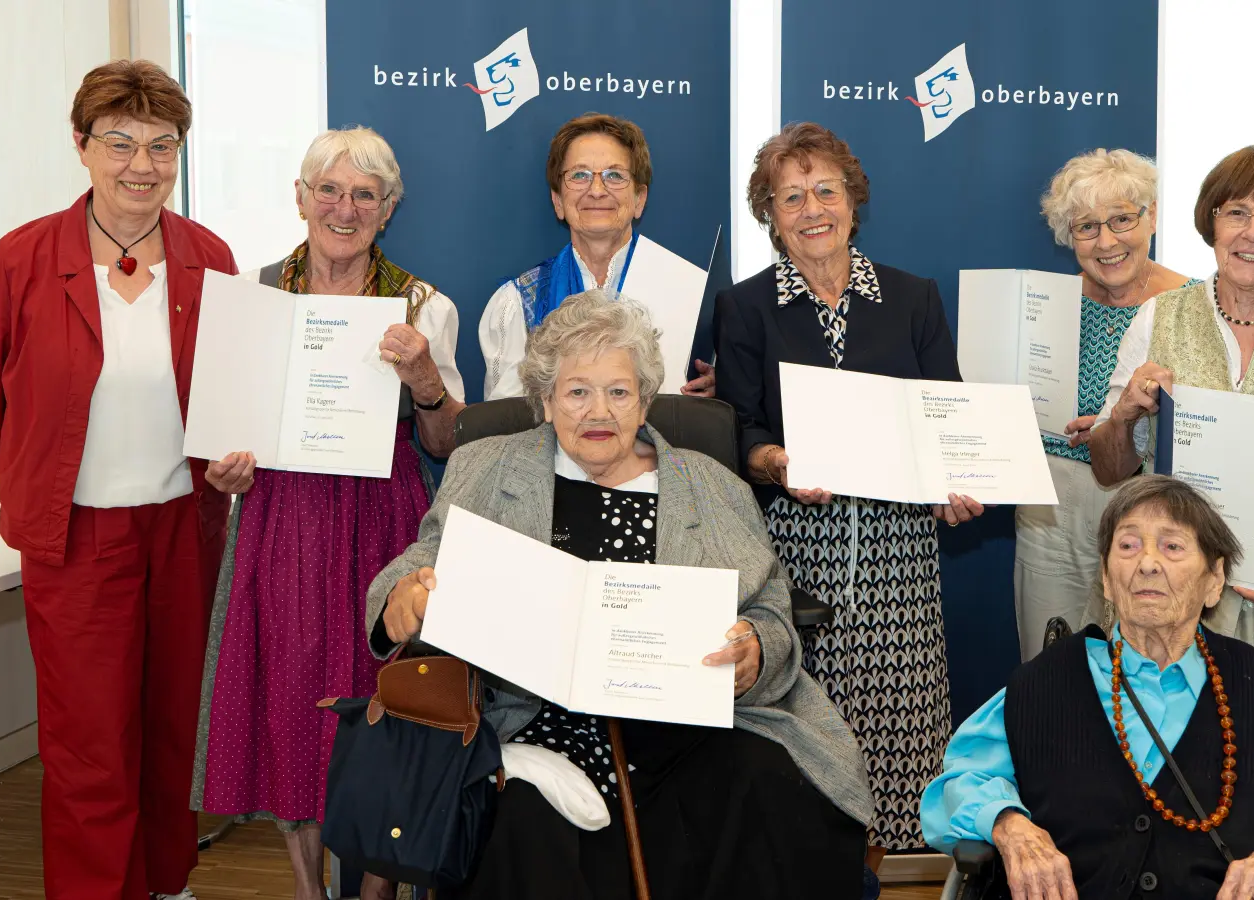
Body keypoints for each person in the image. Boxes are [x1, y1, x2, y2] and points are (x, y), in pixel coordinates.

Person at [367, 292, 872, 899]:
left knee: (764, 788)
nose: (598, 411)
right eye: (577, 391)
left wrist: (756, 649)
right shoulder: (489, 466)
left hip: (690, 726)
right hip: (534, 722)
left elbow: (769, 607)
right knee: (518, 823)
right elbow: (420, 564)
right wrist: (402, 599)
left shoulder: (711, 485)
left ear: (645, 400)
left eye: (618, 391)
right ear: (546, 400)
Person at [190, 126, 466, 900]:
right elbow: (227, 436)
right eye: (330, 191)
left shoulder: (426, 305)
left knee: (389, 698)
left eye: (365, 195)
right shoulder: (254, 294)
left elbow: (445, 443)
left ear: (389, 208)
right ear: (302, 198)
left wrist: (424, 379)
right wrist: (226, 469)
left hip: (385, 519)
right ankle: (308, 891)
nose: (345, 209)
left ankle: (376, 892)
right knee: (289, 703)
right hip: (282, 517)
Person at [713, 121, 984, 880]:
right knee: (806, 724)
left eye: (825, 191)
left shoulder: (912, 298)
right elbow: (737, 429)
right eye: (790, 197)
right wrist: (774, 462)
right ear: (771, 216)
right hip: (797, 552)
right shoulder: (745, 307)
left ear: (853, 202)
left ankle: (896, 876)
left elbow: (945, 414)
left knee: (901, 725)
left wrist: (953, 486)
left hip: (900, 555)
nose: (812, 210)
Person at [0, 60, 234, 900]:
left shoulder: (208, 255)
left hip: (183, 526)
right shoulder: (21, 259)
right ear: (82, 145)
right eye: (121, 142)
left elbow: (228, 391)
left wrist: (234, 453)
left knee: (172, 728)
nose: (142, 164)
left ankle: (167, 882)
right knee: (90, 743)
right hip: (76, 534)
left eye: (162, 146)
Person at [923, 475, 1254, 900]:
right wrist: (1008, 825)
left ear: (1215, 580)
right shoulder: (1041, 686)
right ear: (1106, 579)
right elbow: (960, 782)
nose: (1147, 563)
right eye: (1127, 546)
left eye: (1172, 546)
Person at [1087, 146, 1254, 661]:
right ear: (1212, 221)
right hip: (1169, 582)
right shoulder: (1158, 317)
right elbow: (1109, 470)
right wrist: (1124, 416)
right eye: (1237, 213)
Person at [1015, 148, 1194, 660]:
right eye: (1087, 227)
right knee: (1052, 663)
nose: (1107, 241)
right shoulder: (1042, 306)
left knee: (1149, 662)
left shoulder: (1192, 306)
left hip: (1155, 505)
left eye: (1121, 219)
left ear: (1151, 217)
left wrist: (1122, 423)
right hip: (1054, 508)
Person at [478, 112, 715, 400]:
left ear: (639, 199)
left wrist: (720, 391)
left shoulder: (692, 292)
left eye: (615, 175)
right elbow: (506, 418)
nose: (597, 191)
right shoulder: (519, 302)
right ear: (558, 201)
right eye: (580, 175)